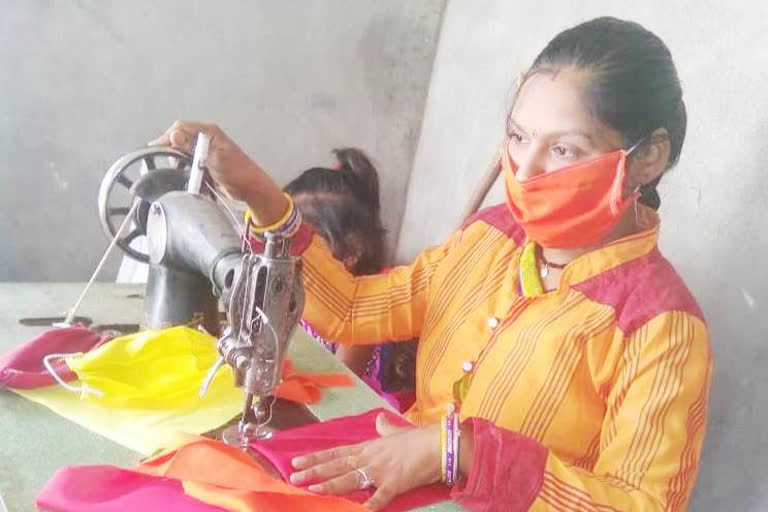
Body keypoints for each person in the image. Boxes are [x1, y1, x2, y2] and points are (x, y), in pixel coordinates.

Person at [151, 17, 712, 512]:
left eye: (564, 149)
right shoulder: (489, 240)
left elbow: (641, 505)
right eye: (518, 136)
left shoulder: (661, 328)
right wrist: (258, 191)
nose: (526, 169)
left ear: (648, 158)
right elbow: (351, 309)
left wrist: (463, 451)